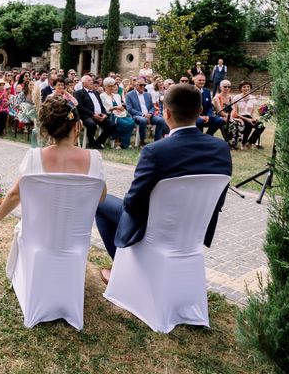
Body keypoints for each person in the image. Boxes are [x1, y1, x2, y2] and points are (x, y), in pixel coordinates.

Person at [95, 83, 232, 282]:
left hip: (154, 231)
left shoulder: (155, 151)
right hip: (193, 231)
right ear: (200, 111)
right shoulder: (221, 148)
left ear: (166, 113)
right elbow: (219, 201)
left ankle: (123, 269)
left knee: (101, 202)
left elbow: (132, 204)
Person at [0, 96, 107, 242]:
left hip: (36, 241)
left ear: (47, 130)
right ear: (77, 126)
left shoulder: (34, 158)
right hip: (75, 244)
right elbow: (100, 196)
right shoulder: (95, 159)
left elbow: (15, 195)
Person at [125, 77, 168, 146]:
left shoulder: (147, 95)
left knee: (161, 120)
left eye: (144, 85)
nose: (143, 86)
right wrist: (143, 115)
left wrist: (150, 114)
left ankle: (157, 141)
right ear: (136, 85)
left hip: (149, 115)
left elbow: (152, 107)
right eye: (140, 85)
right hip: (137, 116)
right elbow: (130, 109)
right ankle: (142, 141)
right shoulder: (129, 95)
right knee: (143, 120)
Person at [75, 75, 115, 149]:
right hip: (87, 116)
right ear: (83, 83)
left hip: (99, 115)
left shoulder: (96, 93)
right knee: (91, 124)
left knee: (112, 125)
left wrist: (105, 114)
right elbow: (80, 107)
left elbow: (101, 106)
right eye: (89, 80)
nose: (91, 81)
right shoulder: (79, 93)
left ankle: (98, 142)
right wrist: (93, 115)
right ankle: (91, 142)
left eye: (91, 80)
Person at [100, 77, 135, 149]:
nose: (113, 87)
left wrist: (121, 109)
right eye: (111, 86)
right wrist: (116, 108)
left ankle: (119, 140)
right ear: (106, 86)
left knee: (131, 122)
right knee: (124, 124)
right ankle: (121, 142)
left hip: (121, 114)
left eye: (113, 85)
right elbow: (106, 109)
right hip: (111, 115)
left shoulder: (117, 96)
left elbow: (120, 106)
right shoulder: (102, 95)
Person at [232, 81, 266, 149]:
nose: (246, 88)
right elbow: (235, 113)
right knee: (248, 124)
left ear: (250, 88)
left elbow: (253, 112)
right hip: (240, 117)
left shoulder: (252, 98)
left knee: (261, 125)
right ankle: (243, 143)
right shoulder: (236, 98)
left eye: (248, 87)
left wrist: (253, 118)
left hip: (249, 117)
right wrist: (247, 119)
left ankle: (250, 142)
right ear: (241, 88)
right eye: (244, 87)